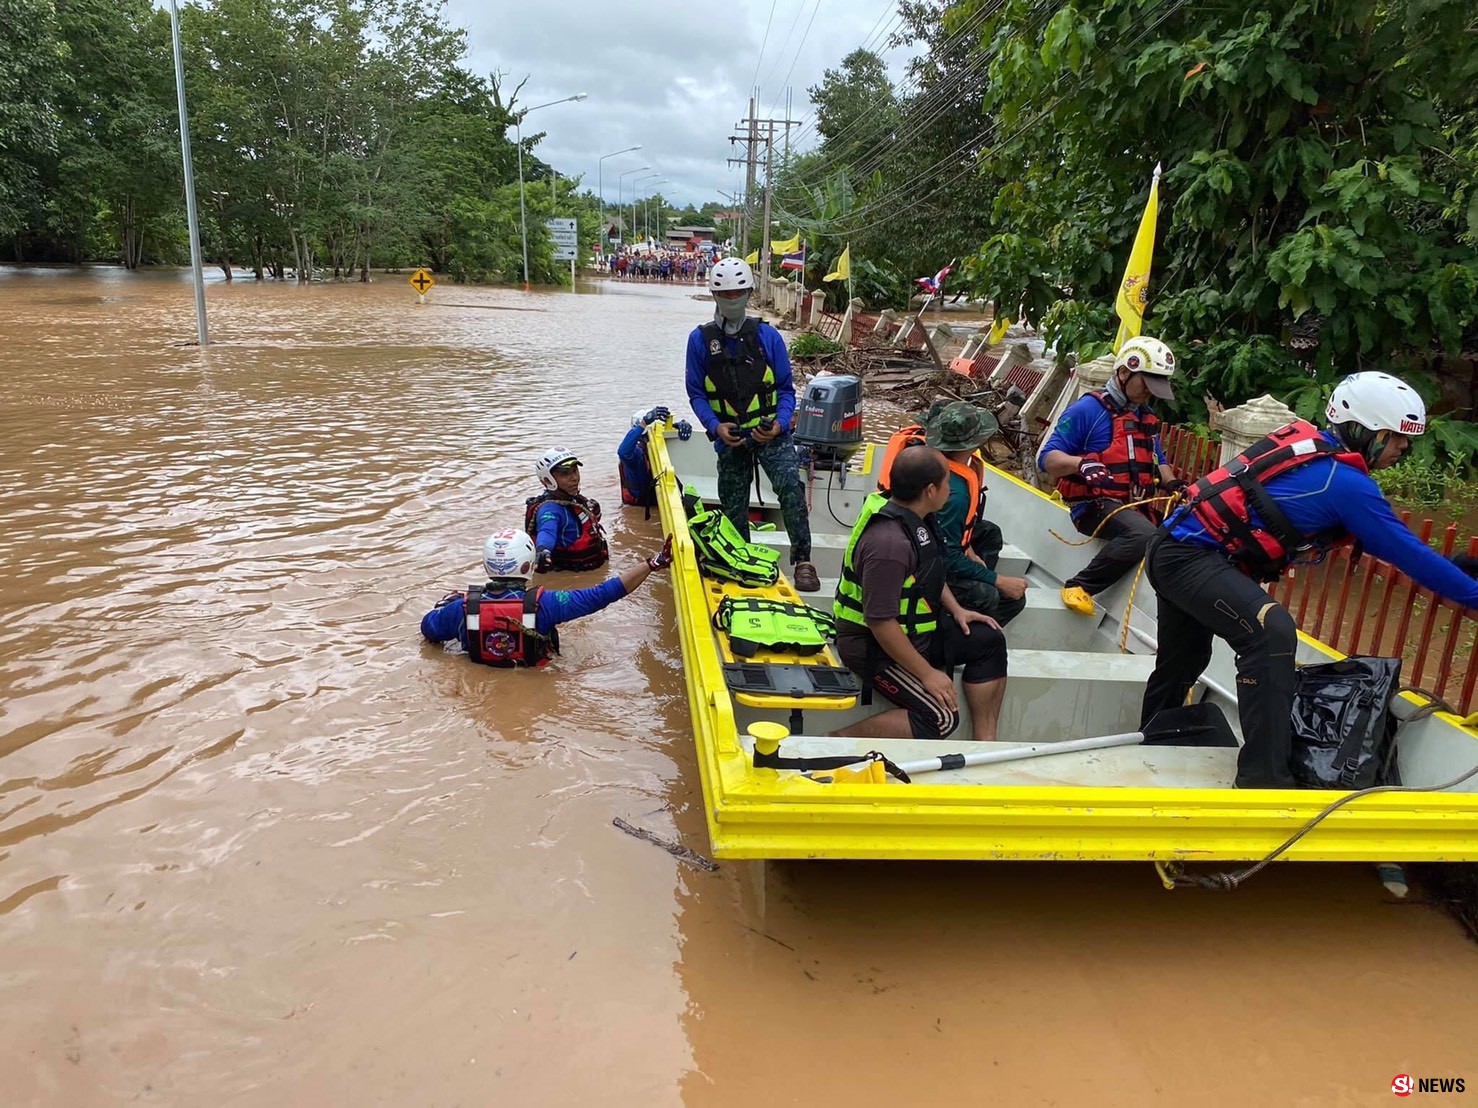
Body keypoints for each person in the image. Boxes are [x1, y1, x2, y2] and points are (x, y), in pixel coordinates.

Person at [1139, 371, 1478, 789]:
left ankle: (1153, 738)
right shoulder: (1345, 483)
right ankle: (1264, 779)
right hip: (1192, 559)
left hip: (1171, 548)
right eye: (1396, 437)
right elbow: (1410, 556)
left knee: (1183, 660)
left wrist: (1454, 566)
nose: (1404, 447)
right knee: (1270, 632)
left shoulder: (1317, 454)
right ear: (1365, 430)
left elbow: (1402, 547)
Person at [833, 445, 1009, 742]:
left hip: (916, 632)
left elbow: (927, 573)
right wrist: (927, 673)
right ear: (930, 490)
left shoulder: (919, 516)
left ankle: (985, 746)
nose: (950, 488)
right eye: (947, 481)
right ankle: (835, 738)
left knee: (989, 639)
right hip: (872, 647)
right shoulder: (888, 545)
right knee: (939, 718)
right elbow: (879, 622)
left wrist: (957, 609)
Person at [684, 255, 819, 591]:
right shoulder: (699, 341)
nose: (733, 300)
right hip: (730, 437)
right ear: (715, 295)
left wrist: (780, 424)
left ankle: (803, 560)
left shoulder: (767, 337)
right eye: (726, 294)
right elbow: (697, 394)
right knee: (732, 500)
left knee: (790, 486)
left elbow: (786, 390)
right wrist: (716, 427)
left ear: (748, 293)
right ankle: (738, 557)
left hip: (770, 433)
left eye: (738, 293)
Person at [1037, 337, 1185, 615]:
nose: (1148, 394)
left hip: (1133, 505)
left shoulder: (1145, 417)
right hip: (1092, 506)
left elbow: (1159, 460)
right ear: (1124, 372)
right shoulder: (1088, 411)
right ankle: (1079, 586)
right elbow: (1046, 459)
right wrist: (1081, 464)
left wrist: (1175, 484)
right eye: (1146, 384)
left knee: (1187, 533)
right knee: (1143, 534)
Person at [421, 529, 674, 667]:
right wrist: (651, 564)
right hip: (538, 673)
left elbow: (428, 628)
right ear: (527, 565)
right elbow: (604, 594)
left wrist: (451, 602)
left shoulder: (462, 608)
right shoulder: (547, 604)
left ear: (487, 564)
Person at [916, 400, 1030, 625]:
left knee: (989, 533)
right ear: (975, 441)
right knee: (998, 597)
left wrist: (968, 549)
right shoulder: (955, 493)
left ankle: (973, 580)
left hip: (929, 540)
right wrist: (997, 580)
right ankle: (966, 635)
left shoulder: (928, 460)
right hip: (924, 563)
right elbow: (946, 557)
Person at [526, 447, 609, 573]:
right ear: (548, 480)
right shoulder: (550, 510)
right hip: (574, 579)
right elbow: (547, 531)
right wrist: (543, 551)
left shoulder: (575, 500)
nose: (574, 478)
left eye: (575, 471)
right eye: (565, 474)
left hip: (592, 571)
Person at [618, 405, 692, 512]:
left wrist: (678, 426)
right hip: (641, 502)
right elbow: (623, 452)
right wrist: (643, 424)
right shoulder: (636, 453)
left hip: (656, 496)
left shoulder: (660, 448)